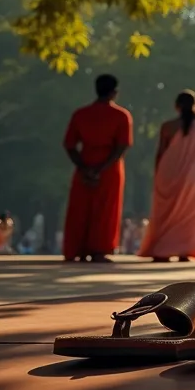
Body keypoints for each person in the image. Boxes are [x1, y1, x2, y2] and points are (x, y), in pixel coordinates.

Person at [138, 90, 195, 263]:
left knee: (165, 213)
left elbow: (161, 153)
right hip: (193, 176)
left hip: (168, 174)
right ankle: (184, 250)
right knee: (189, 215)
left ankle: (161, 251)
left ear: (176, 106)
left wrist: (157, 174)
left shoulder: (168, 126)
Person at [62, 74, 133, 262]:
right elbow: (121, 147)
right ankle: (99, 250)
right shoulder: (121, 115)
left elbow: (69, 145)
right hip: (109, 168)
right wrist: (101, 169)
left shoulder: (81, 114)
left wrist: (85, 168)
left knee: (80, 208)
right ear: (114, 92)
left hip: (85, 163)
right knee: (105, 209)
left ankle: (76, 248)